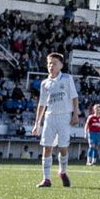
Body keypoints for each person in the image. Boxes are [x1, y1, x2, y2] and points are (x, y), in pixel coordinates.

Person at [31, 52, 79, 188]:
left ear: (61, 65)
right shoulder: (45, 83)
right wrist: (37, 123)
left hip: (64, 117)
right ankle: (46, 179)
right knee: (47, 147)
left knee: (63, 147)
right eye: (49, 63)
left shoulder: (67, 78)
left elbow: (74, 97)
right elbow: (42, 104)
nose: (51, 66)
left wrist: (75, 114)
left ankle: (62, 172)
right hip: (50, 117)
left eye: (54, 63)